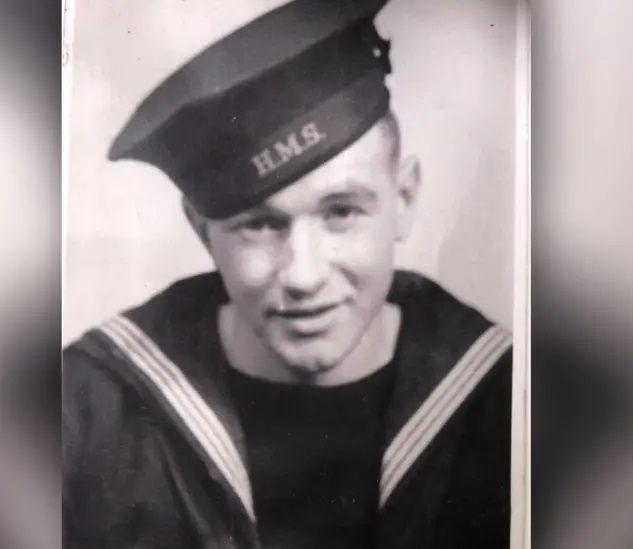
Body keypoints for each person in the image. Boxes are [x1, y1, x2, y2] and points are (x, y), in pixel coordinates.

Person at [63, 1, 512, 547]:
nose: (303, 276)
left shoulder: (510, 404)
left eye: (341, 212)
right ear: (203, 232)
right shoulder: (91, 412)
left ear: (405, 198)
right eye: (259, 225)